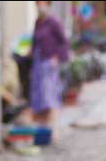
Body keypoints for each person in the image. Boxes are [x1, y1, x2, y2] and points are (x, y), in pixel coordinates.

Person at [31, 0, 68, 139]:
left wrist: (57, 57)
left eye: (42, 3)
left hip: (49, 63)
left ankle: (53, 130)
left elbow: (64, 42)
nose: (40, 6)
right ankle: (43, 132)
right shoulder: (38, 22)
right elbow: (34, 42)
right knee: (39, 97)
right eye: (38, 3)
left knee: (50, 96)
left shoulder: (54, 22)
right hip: (37, 63)